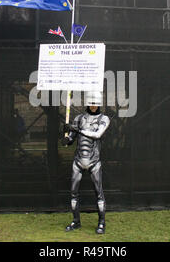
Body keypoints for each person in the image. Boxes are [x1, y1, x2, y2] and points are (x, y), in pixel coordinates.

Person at [61, 91, 110, 234]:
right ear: (87, 103)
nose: (93, 106)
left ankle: (101, 223)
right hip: (78, 161)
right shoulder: (79, 118)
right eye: (91, 104)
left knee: (99, 193)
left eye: (95, 104)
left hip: (94, 161)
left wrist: (76, 129)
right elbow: (71, 138)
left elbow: (97, 135)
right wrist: (66, 139)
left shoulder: (104, 118)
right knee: (73, 193)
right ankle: (76, 221)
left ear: (99, 104)